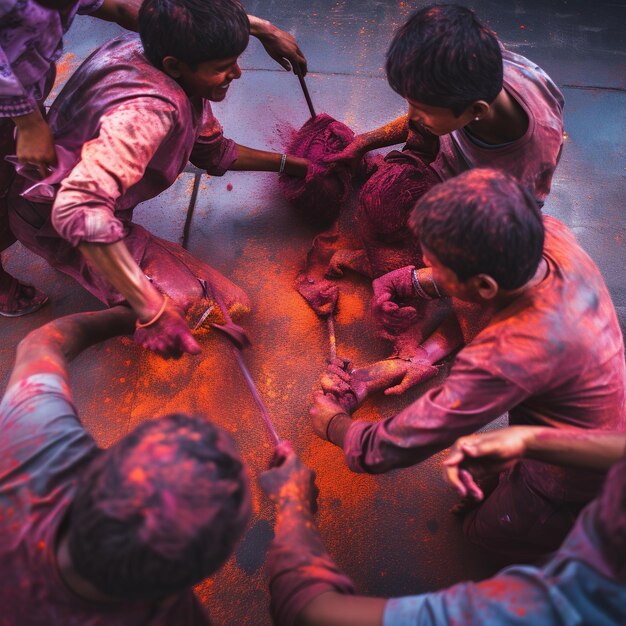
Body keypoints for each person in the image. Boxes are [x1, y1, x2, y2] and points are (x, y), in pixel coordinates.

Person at [310, 169, 625, 558]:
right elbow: (473, 290)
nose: (428, 270)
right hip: (589, 411)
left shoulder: (508, 355)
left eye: (438, 267)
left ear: (485, 287)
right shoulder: (547, 234)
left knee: (483, 532)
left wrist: (335, 424)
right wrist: (409, 281)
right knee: (506, 471)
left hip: (574, 478)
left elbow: (392, 448)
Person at [0, 0, 308, 317]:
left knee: (226, 305)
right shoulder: (145, 117)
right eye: (222, 67)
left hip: (59, 183)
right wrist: (145, 301)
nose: (238, 73)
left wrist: (297, 165)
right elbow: (78, 210)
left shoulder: (168, 52)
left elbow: (213, 151)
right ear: (174, 65)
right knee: (193, 307)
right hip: (54, 220)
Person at [0, 306, 251, 623]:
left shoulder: (31, 444)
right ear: (179, 584)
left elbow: (42, 343)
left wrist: (132, 317)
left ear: (94, 472)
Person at [260, 430, 626, 626]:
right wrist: (529, 441)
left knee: (484, 531)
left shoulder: (555, 606)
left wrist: (293, 503)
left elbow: (313, 611)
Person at [325, 3, 564, 275]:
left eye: (424, 110)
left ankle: (371, 263)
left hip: (478, 199)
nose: (411, 116)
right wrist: (364, 142)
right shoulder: (475, 61)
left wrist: (415, 281)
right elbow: (422, 119)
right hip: (448, 150)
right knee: (382, 197)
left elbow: (504, 242)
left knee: (433, 258)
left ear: (475, 111)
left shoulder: (525, 169)